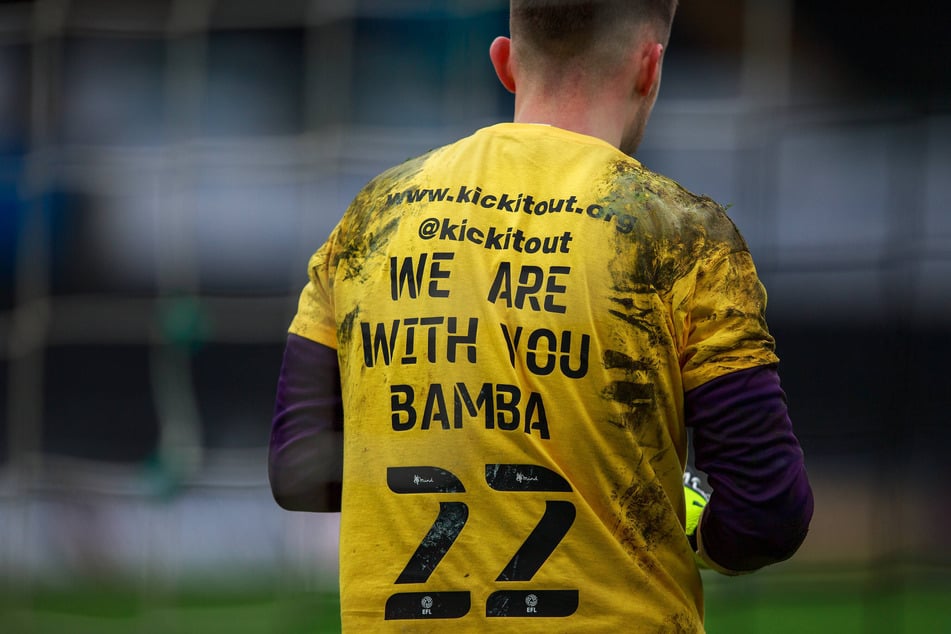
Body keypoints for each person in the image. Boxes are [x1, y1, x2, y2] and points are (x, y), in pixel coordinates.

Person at [269, 0, 814, 631]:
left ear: (505, 61)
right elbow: (767, 515)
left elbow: (298, 469)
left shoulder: (371, 219)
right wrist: (675, 508)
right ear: (650, 67)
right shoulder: (684, 237)